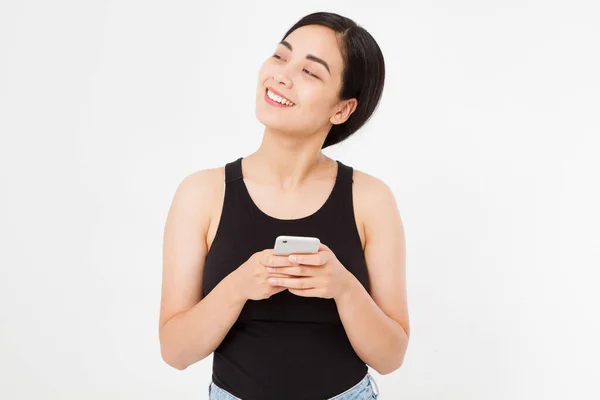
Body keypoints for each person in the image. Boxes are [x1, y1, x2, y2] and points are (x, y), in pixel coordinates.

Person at [159, 11, 410, 400]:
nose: (281, 74)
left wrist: (343, 288)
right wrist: (239, 287)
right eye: (280, 56)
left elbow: (391, 356)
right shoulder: (201, 193)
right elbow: (175, 352)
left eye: (311, 72)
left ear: (342, 109)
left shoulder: (371, 199)